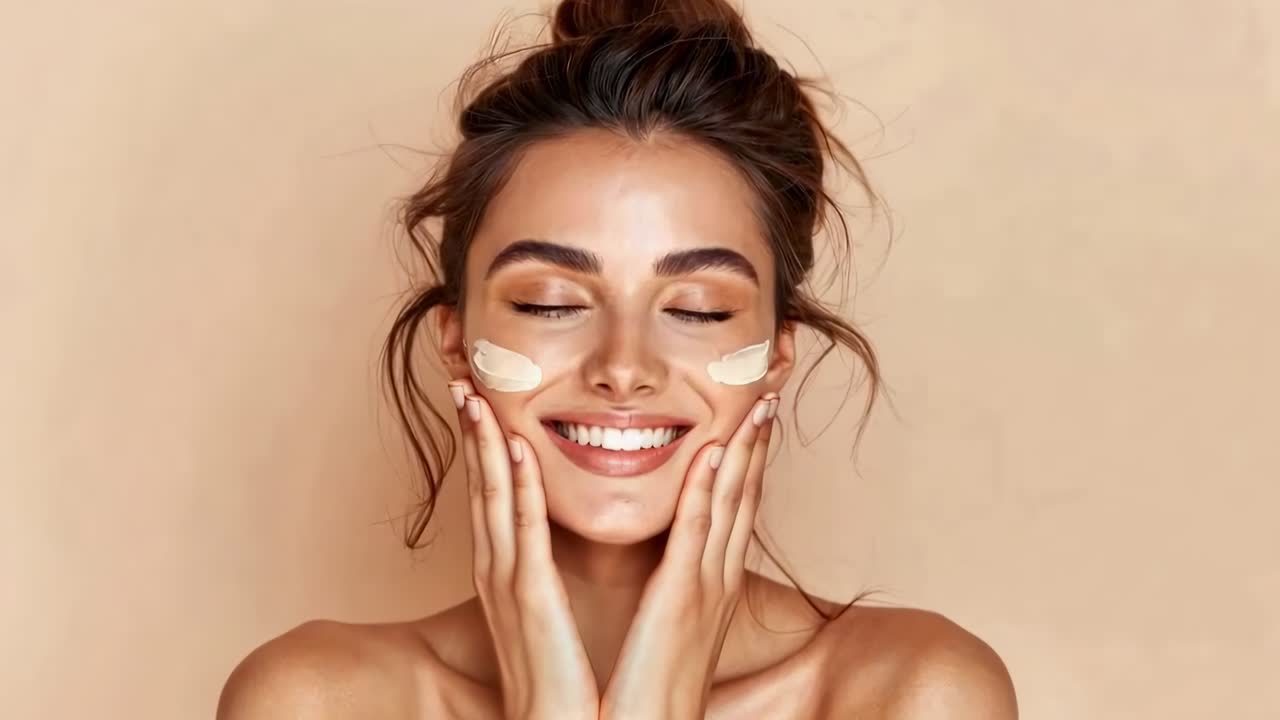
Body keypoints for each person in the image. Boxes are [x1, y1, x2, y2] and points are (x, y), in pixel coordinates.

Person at [217, 1, 1017, 717]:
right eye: (548, 303)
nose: (624, 366)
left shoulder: (914, 694)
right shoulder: (316, 700)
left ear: (776, 356)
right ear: (457, 342)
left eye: (698, 309)